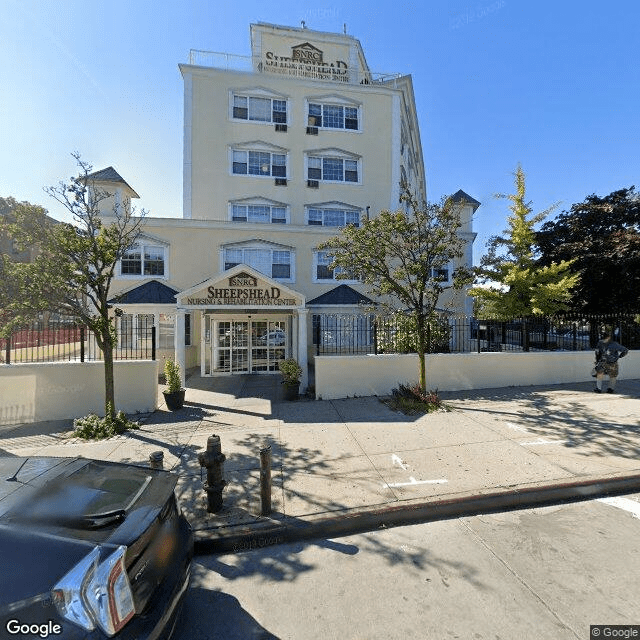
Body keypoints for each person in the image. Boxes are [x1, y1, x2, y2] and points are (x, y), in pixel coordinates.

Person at [593, 328, 629, 393]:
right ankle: (598, 388)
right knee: (600, 374)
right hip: (603, 361)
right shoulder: (600, 343)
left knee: (613, 375)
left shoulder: (614, 344)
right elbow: (597, 352)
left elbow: (625, 350)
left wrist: (619, 356)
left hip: (612, 363)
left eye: (605, 338)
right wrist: (597, 360)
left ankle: (610, 389)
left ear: (609, 338)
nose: (604, 339)